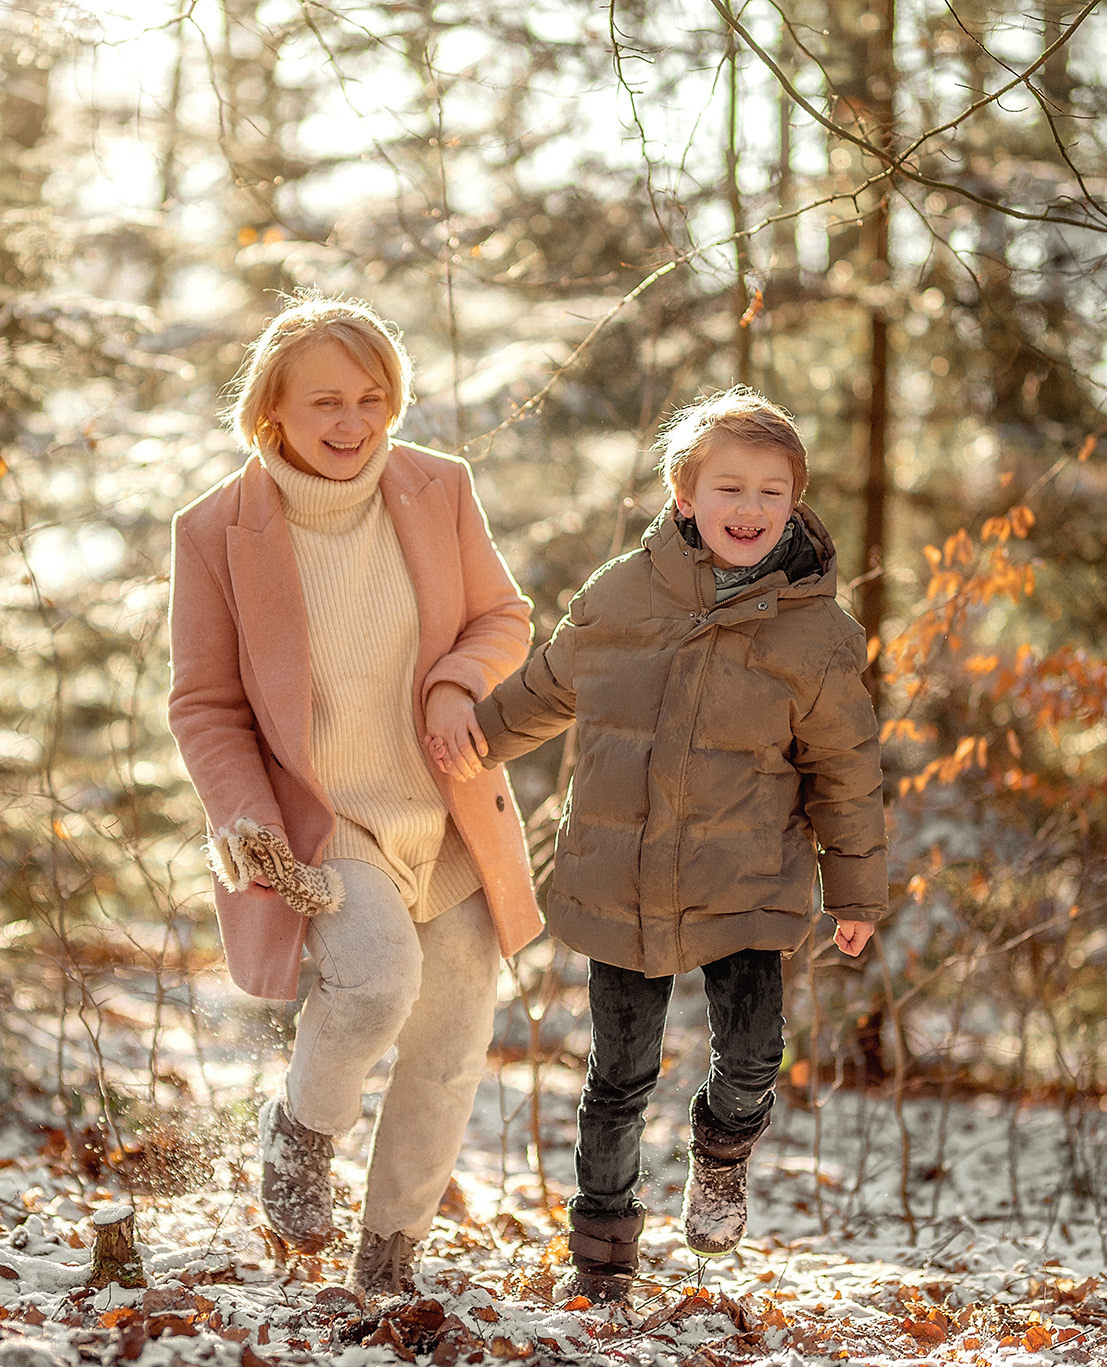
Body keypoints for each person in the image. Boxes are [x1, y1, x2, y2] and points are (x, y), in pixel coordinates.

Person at [454, 387, 888, 1305]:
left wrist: (854, 892)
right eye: (728, 487)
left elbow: (846, 767)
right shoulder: (621, 594)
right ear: (684, 497)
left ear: (795, 504)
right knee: (619, 1072)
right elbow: (540, 691)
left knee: (754, 1052)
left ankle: (722, 1152)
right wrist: (465, 737)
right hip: (623, 880)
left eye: (772, 491)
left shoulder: (818, 634)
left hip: (747, 877)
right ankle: (602, 1249)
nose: (750, 508)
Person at [166, 294, 543, 1298]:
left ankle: (389, 1253)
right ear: (271, 413)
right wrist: (245, 822)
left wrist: (461, 675)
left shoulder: (437, 488)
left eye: (372, 397)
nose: (354, 421)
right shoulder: (214, 530)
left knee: (453, 1038)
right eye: (326, 400)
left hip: (447, 805)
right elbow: (203, 703)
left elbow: (504, 614)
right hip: (328, 823)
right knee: (374, 980)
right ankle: (298, 1127)